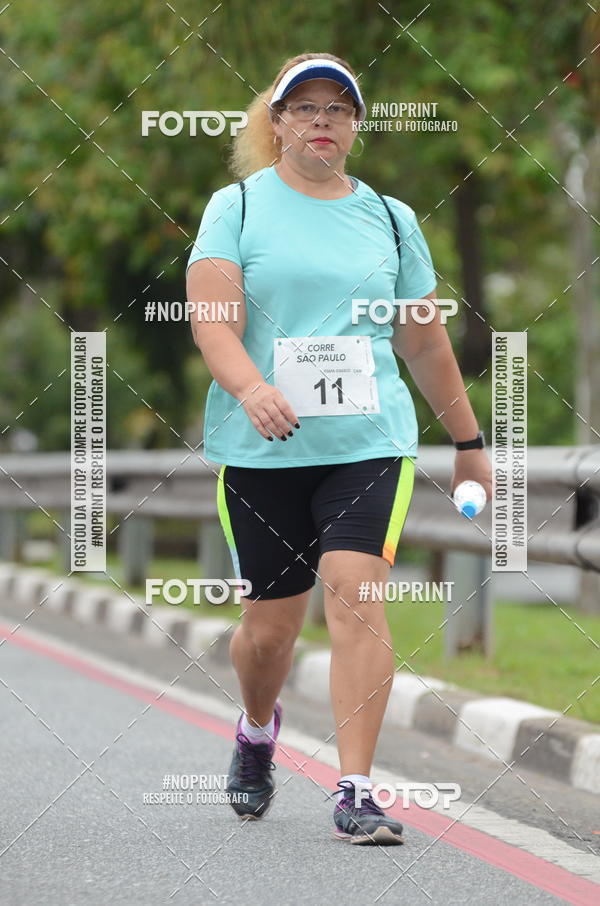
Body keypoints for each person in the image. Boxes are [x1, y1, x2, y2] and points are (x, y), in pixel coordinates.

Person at [186, 52, 492, 846]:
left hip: (369, 443)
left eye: (338, 107)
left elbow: (423, 343)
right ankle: (258, 729)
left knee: (357, 593)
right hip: (262, 449)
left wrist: (468, 440)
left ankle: (355, 788)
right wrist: (252, 388)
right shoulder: (238, 207)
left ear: (356, 125)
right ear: (278, 121)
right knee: (268, 634)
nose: (322, 119)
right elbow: (213, 319)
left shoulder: (391, 218)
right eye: (305, 107)